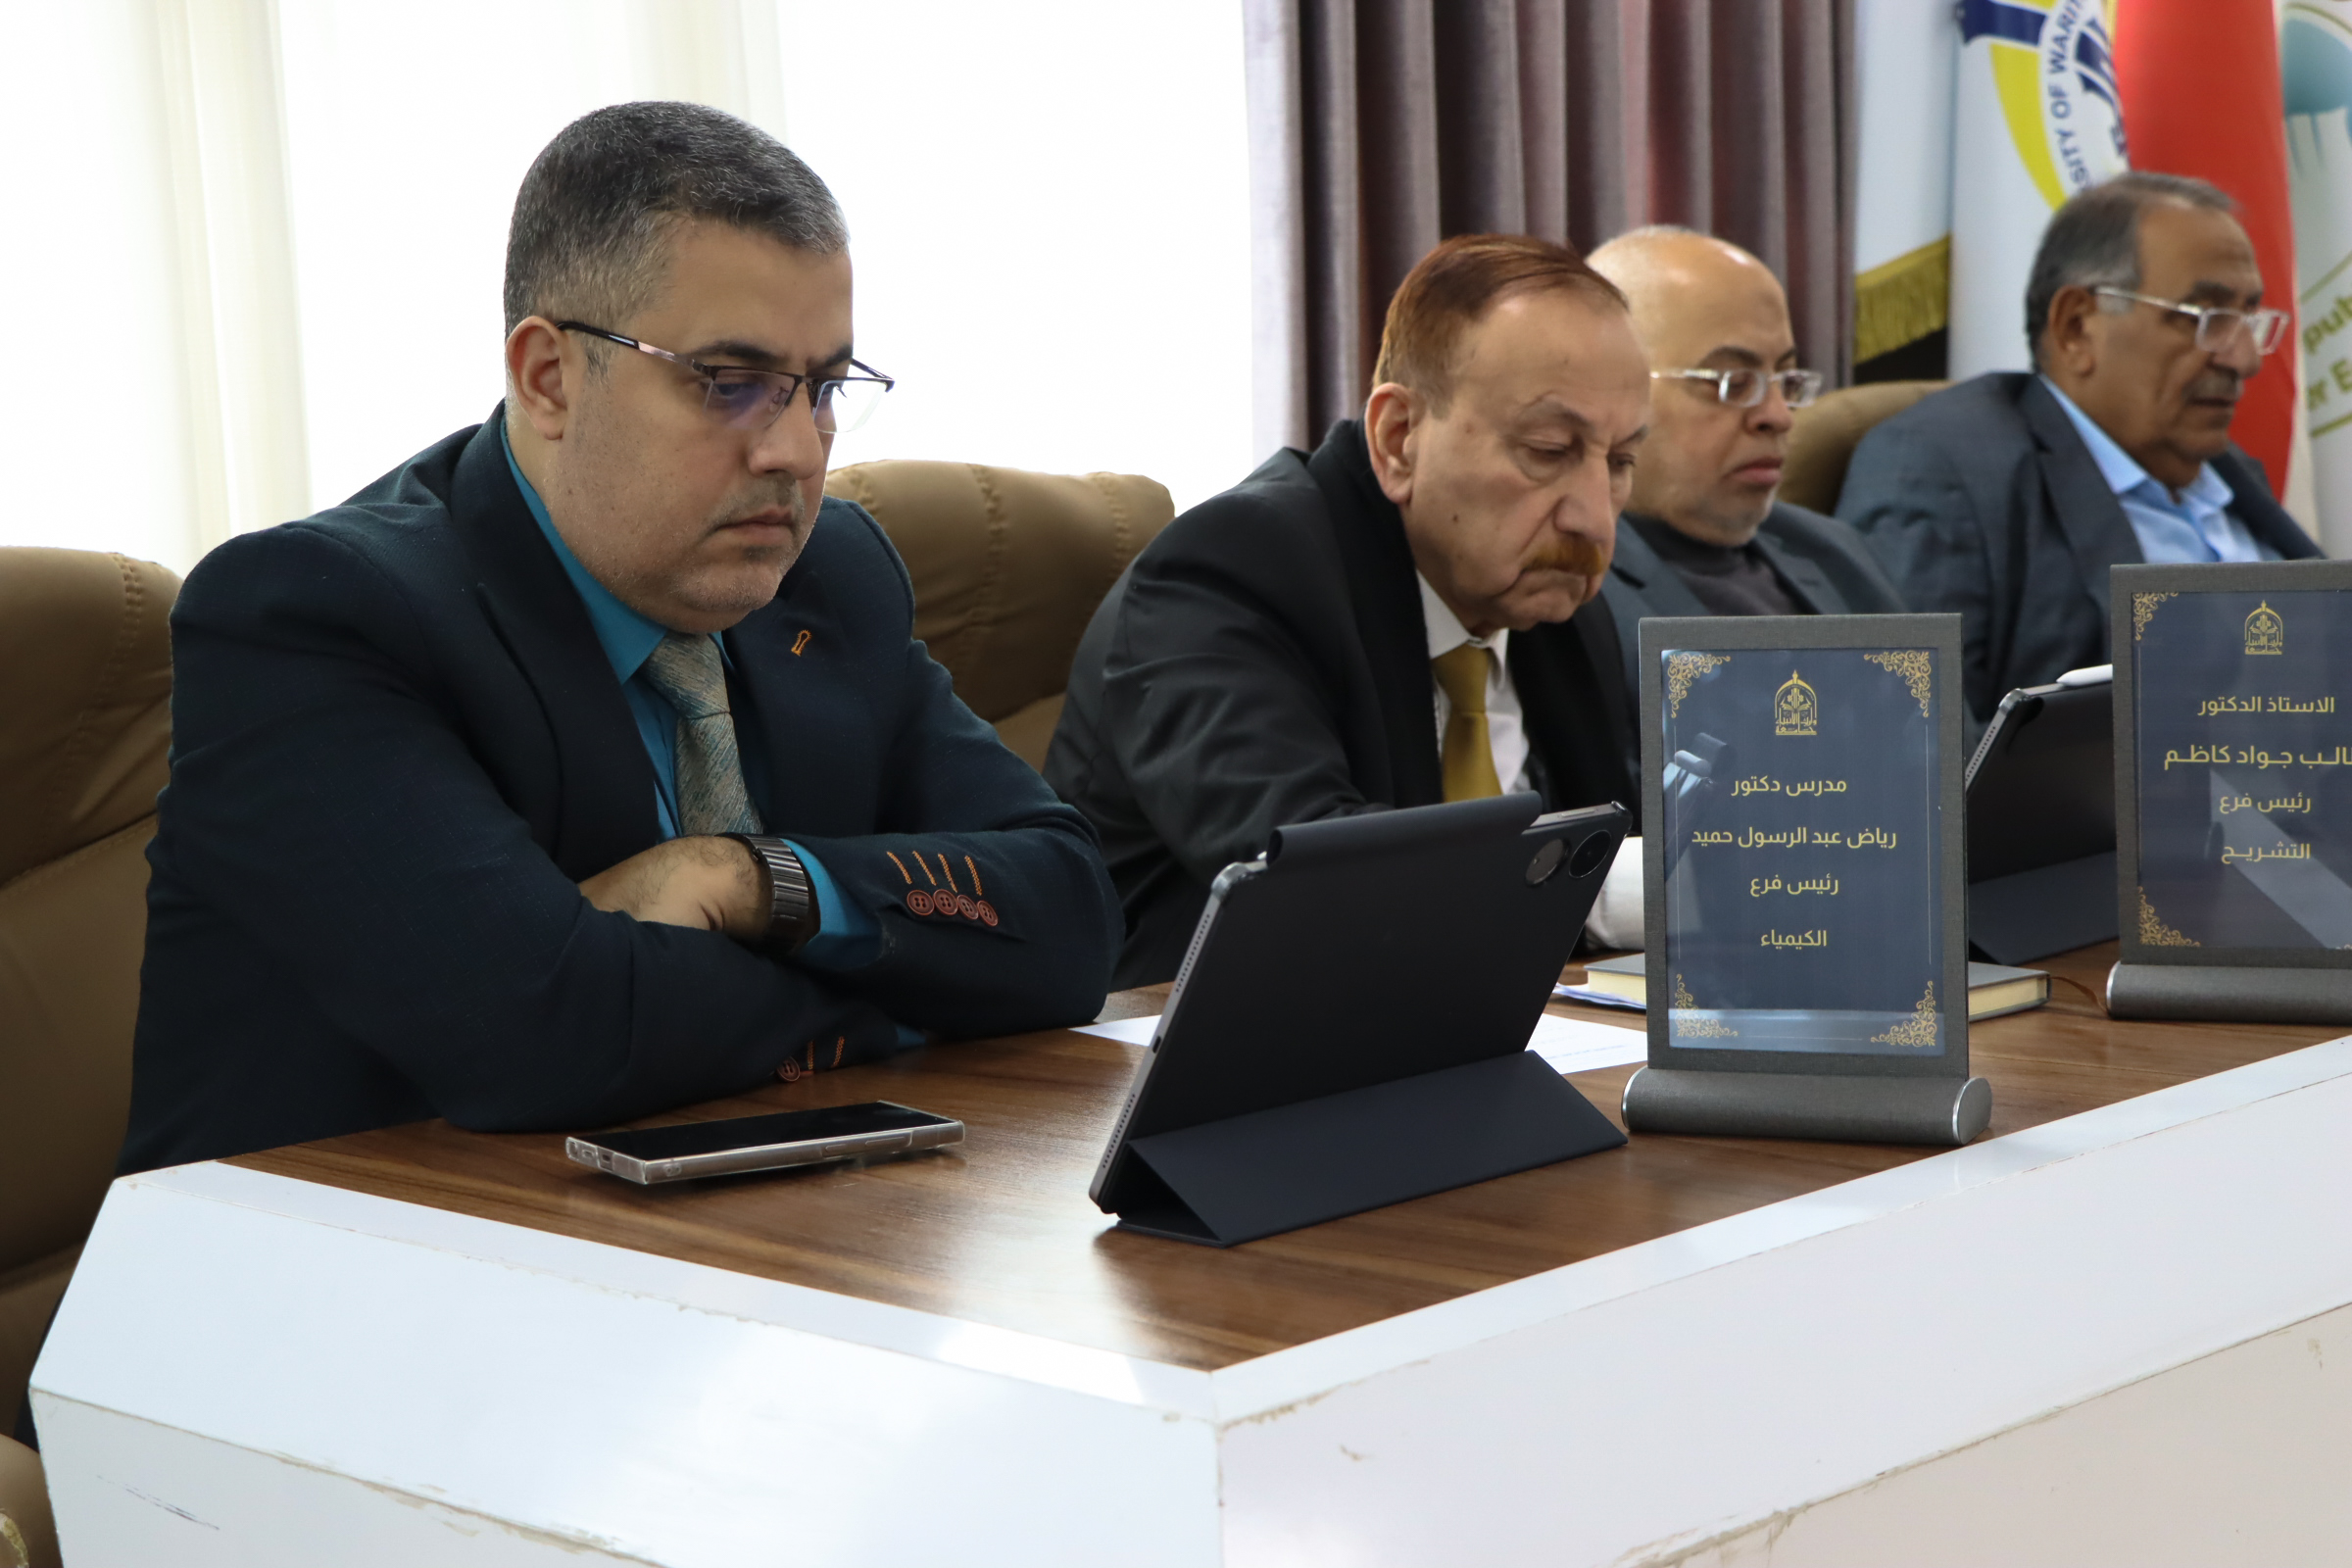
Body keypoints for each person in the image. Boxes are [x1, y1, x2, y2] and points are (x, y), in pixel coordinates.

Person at [122, 103, 1119, 1173]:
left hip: (729, 1240)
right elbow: (543, 1032)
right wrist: (915, 993)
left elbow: (1072, 917)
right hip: (346, 1257)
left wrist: (753, 882)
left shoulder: (826, 577)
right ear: (549, 378)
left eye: (826, 387)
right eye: (731, 384)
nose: (795, 450)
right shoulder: (313, 617)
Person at [1047, 234, 1647, 988]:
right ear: (1398, 440)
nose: (1594, 518)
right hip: (1182, 1040)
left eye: (1621, 461)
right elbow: (1315, 880)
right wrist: (1624, 885)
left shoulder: (1550, 605)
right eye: (1549, 449)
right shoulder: (1231, 569)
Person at [1838, 172, 2320, 721]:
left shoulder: (2232, 477)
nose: (2245, 359)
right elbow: (1916, 740)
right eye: (2206, 318)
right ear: (2076, 327)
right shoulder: (1944, 472)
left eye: (2248, 319)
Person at [1586, 227, 1905, 695]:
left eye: (1786, 380)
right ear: (1608, 386)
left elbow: (1949, 735)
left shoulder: (1836, 550)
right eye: (1733, 383)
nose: (1779, 416)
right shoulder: (1572, 589)